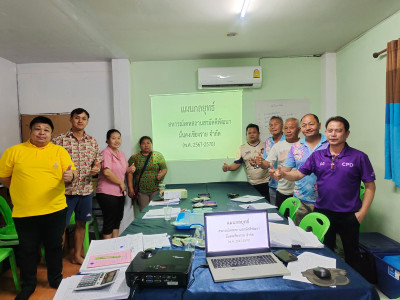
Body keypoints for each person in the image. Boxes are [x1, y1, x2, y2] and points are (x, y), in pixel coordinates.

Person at [277, 116, 376, 271]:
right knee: (324, 253)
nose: (333, 134)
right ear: (326, 132)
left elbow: (370, 187)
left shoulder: (359, 157)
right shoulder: (317, 156)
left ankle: (353, 291)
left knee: (351, 256)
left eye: (338, 131)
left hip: (349, 214)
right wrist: (283, 174)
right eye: (330, 131)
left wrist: (362, 213)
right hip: (323, 213)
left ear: (347, 134)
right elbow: (297, 175)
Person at [0, 116, 76, 300]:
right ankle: (28, 285)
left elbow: (71, 172)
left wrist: (70, 176)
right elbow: (4, 178)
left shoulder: (59, 151)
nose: (42, 133)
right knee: (28, 249)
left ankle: (56, 280)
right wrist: (23, 190)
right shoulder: (14, 152)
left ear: (51, 133)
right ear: (30, 131)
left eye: (46, 130)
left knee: (54, 246)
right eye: (38, 129)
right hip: (25, 212)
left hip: (55, 209)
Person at [52, 108, 102, 265]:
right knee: (61, 226)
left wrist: (97, 167)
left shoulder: (92, 141)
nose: (80, 120)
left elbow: (97, 159)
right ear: (71, 119)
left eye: (84, 118)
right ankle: (56, 261)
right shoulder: (59, 140)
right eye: (77, 118)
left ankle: (77, 256)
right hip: (65, 191)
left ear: (87, 121)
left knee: (81, 223)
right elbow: (50, 163)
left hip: (85, 190)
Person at [281, 114, 329, 224]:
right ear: (301, 129)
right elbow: (286, 169)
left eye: (311, 124)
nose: (307, 128)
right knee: (299, 236)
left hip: (325, 200)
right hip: (300, 199)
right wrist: (278, 172)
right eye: (304, 125)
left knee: (324, 237)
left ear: (319, 125)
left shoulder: (330, 144)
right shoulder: (296, 146)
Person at [96, 129, 136, 239]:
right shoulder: (105, 153)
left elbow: (123, 170)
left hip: (119, 193)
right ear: (107, 140)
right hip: (107, 193)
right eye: (113, 138)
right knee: (109, 221)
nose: (117, 140)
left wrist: (130, 169)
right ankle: (108, 250)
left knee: (117, 220)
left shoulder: (121, 154)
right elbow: (107, 172)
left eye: (119, 138)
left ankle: (115, 245)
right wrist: (121, 183)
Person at [256, 118, 300, 208]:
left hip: (300, 192)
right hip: (283, 190)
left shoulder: (304, 145)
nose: (288, 131)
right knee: (281, 219)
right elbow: (267, 163)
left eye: (291, 128)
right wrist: (260, 163)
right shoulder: (277, 146)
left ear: (299, 130)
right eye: (286, 128)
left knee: (299, 220)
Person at [222, 124, 270, 202]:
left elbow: (270, 162)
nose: (251, 134)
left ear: (259, 133)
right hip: (252, 184)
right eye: (249, 133)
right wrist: (228, 168)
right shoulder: (242, 148)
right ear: (246, 134)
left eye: (254, 132)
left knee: (266, 207)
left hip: (266, 182)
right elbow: (237, 163)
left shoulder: (266, 145)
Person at [127, 136, 167, 211]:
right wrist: (130, 188)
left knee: (157, 211)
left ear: (151, 144)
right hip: (142, 191)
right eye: (143, 143)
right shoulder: (135, 157)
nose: (146, 145)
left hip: (156, 189)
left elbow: (164, 168)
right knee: (144, 212)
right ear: (140, 146)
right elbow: (129, 173)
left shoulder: (157, 156)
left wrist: (161, 174)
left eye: (148, 143)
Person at [262, 116, 285, 204]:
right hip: (272, 183)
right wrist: (259, 162)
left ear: (282, 126)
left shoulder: (288, 140)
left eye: (276, 124)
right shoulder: (268, 141)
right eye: (271, 125)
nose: (273, 127)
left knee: (286, 213)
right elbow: (265, 160)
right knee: (274, 212)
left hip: (286, 184)